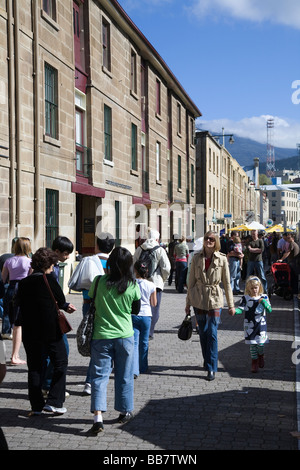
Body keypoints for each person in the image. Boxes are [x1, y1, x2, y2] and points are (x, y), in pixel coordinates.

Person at [87, 247, 141, 435]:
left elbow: (90, 301)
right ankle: (125, 411)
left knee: (99, 377)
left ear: (110, 263)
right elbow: (135, 310)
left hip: (101, 335)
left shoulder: (99, 281)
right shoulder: (133, 285)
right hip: (125, 335)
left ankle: (98, 417)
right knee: (124, 375)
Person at [16, 247, 76, 416]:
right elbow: (61, 299)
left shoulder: (24, 282)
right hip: (50, 329)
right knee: (60, 361)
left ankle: (36, 406)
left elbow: (17, 303)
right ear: (49, 264)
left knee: (34, 367)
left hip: (29, 330)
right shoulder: (48, 279)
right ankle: (55, 402)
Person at [185, 231, 235, 381]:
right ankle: (207, 362)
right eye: (207, 238)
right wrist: (187, 303)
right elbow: (191, 281)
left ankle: (212, 367)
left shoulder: (222, 259)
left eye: (212, 239)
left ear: (216, 241)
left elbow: (227, 283)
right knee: (203, 332)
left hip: (215, 299)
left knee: (212, 332)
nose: (209, 241)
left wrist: (231, 305)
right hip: (198, 297)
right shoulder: (196, 258)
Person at [42, 236, 75, 397]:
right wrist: (63, 305)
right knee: (62, 351)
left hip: (46, 315)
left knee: (49, 353)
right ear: (56, 252)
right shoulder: (50, 270)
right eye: (66, 253)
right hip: (50, 316)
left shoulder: (52, 267)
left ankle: (46, 384)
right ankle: (49, 385)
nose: (68, 257)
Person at [82, 232, 115, 396]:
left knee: (94, 344)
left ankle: (90, 381)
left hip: (89, 305)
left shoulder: (88, 261)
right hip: (109, 307)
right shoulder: (114, 263)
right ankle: (92, 380)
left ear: (96, 245)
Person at [133, 229, 170, 339]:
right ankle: (149, 332)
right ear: (157, 239)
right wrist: (162, 279)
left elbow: (134, 263)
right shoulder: (160, 250)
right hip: (155, 283)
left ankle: (139, 330)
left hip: (140, 282)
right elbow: (166, 267)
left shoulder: (140, 248)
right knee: (154, 307)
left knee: (140, 306)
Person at [1, 237, 32, 364]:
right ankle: (15, 355)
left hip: (11, 289)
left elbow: (3, 279)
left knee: (13, 321)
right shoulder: (29, 261)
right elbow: (31, 277)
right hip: (24, 290)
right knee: (19, 325)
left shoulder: (9, 261)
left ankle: (15, 353)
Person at [233, 276, 272, 373]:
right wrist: (234, 311)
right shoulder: (245, 298)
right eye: (252, 288)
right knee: (252, 345)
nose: (254, 290)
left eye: (256, 287)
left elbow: (269, 310)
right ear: (248, 288)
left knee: (260, 344)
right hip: (249, 324)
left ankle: (261, 355)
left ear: (259, 287)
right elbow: (240, 309)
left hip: (260, 325)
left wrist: (263, 303)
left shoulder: (264, 297)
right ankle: (254, 362)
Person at [132, 259, 157, 378]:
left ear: (135, 270)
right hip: (146, 315)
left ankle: (134, 370)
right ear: (147, 270)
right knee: (144, 342)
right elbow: (154, 303)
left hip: (134, 315)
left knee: (135, 343)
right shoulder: (152, 285)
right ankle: (143, 366)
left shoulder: (131, 284)